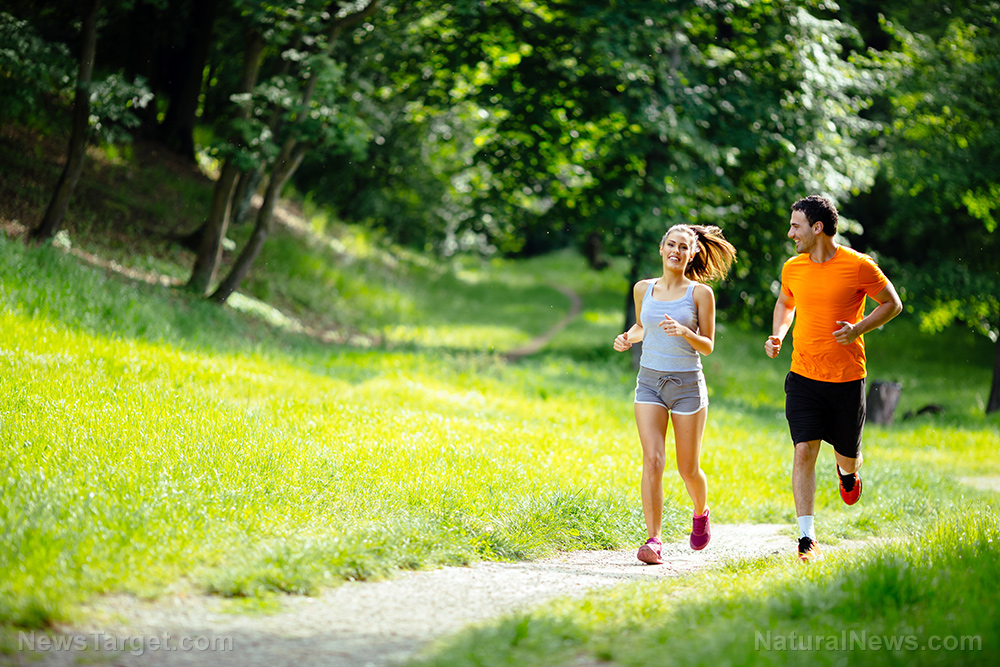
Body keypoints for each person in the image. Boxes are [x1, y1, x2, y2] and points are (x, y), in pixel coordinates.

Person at [764, 195, 902, 562]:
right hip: (803, 375)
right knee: (803, 450)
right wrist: (778, 334)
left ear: (817, 227)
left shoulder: (859, 266)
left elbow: (893, 303)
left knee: (848, 457)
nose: (790, 233)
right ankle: (806, 538)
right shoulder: (793, 267)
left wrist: (858, 329)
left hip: (846, 378)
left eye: (796, 226)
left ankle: (848, 472)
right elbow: (786, 303)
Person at [613, 224, 736, 564]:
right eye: (671, 244)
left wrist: (684, 331)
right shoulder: (643, 288)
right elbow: (643, 326)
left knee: (688, 469)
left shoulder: (700, 294)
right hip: (649, 383)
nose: (676, 251)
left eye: (684, 247)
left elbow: (707, 345)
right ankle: (653, 540)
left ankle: (701, 512)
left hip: (687, 388)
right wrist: (627, 337)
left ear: (692, 254)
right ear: (661, 248)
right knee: (653, 460)